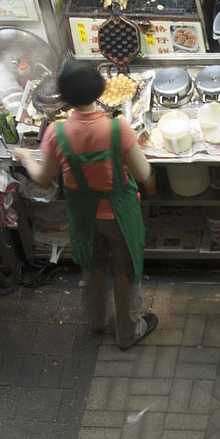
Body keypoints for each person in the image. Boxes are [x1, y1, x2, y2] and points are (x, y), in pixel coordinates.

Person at [30, 61, 158, 350]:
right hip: (119, 215)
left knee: (94, 268)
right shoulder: (118, 129)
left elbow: (43, 178)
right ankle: (127, 332)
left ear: (64, 97)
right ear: (100, 90)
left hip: (85, 217)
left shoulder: (56, 133)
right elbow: (143, 173)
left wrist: (25, 158)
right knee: (125, 272)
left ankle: (98, 321)